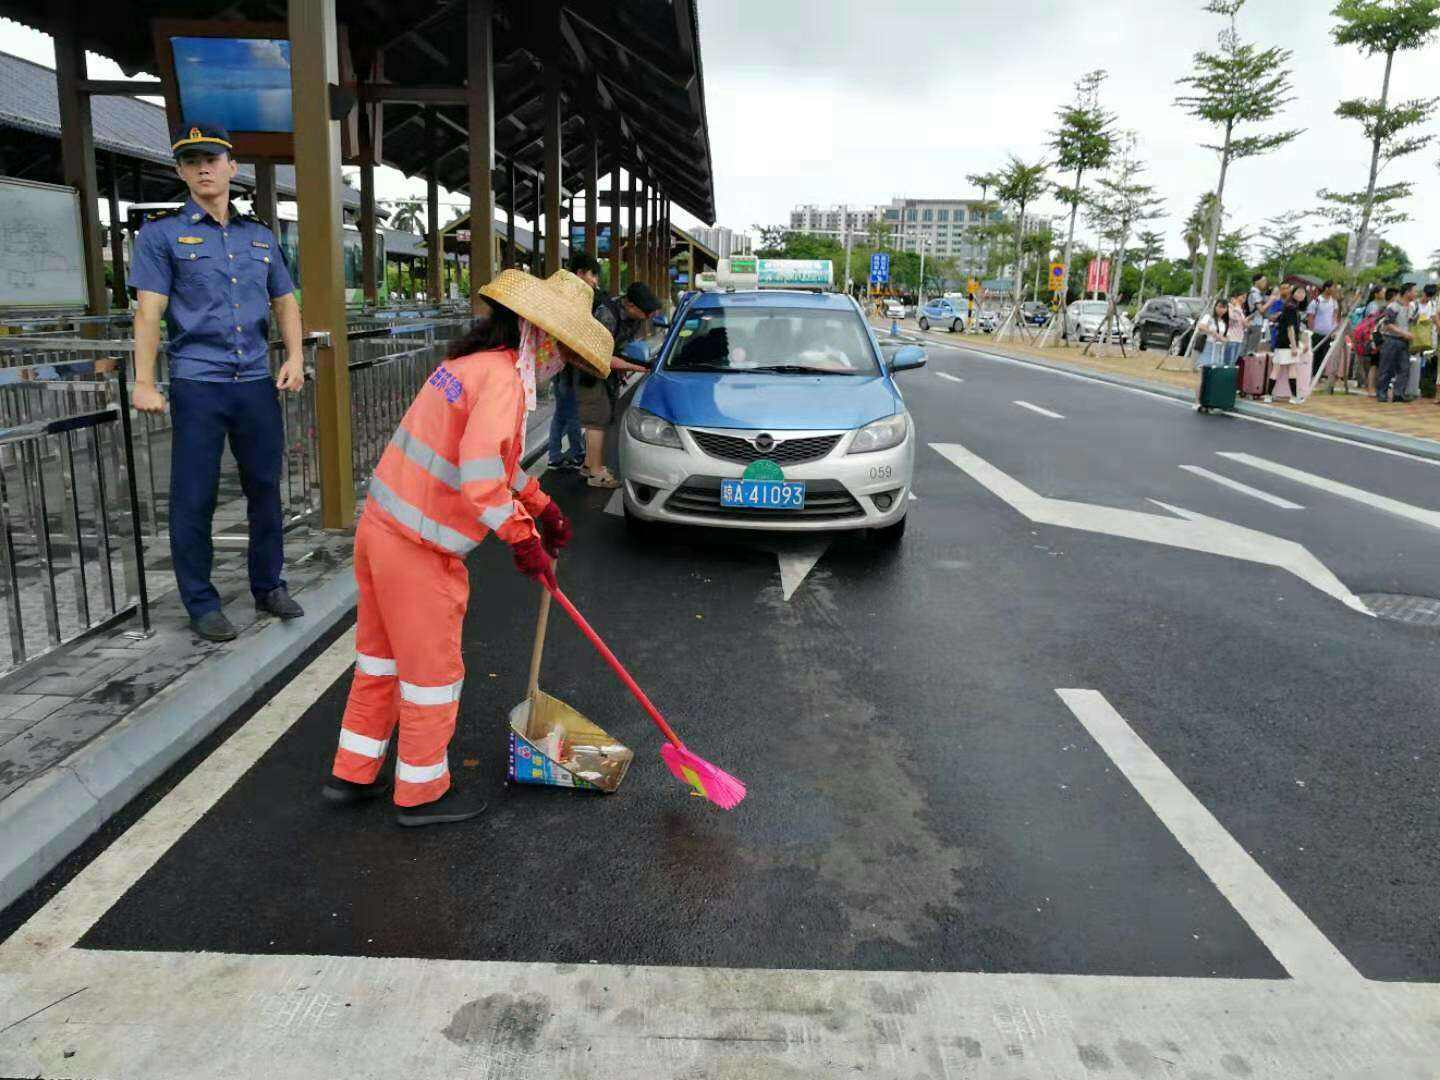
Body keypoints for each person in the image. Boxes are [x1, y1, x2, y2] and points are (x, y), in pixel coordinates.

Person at [325, 269, 613, 826]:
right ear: (540, 337)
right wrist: (523, 538)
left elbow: (492, 465)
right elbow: (480, 480)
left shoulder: (466, 367)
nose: (560, 365)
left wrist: (540, 505)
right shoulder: (504, 382)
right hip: (419, 549)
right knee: (433, 678)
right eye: (563, 351)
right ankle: (422, 793)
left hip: (381, 530)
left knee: (380, 663)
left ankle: (352, 774)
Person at [130, 123, 306, 643]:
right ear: (181, 172)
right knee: (194, 495)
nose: (203, 167)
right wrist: (143, 380)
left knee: (265, 487)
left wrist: (295, 356)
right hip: (198, 384)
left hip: (254, 381)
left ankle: (268, 585)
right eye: (191, 161)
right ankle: (201, 602)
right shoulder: (160, 236)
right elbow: (149, 312)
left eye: (212, 158)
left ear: (232, 167)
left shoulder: (260, 236)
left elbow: (285, 303)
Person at [582, 281, 658, 488]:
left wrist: (628, 366)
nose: (649, 318)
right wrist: (638, 367)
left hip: (606, 370)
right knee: (597, 419)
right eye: (647, 313)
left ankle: (590, 464)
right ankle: (596, 474)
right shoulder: (607, 315)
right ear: (631, 306)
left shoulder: (633, 319)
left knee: (604, 417)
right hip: (588, 368)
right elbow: (600, 356)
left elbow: (619, 349)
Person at [545, 253, 604, 470]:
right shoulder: (572, 298)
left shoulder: (561, 295)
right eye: (592, 275)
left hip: (558, 363)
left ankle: (553, 455)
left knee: (562, 410)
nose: (594, 280)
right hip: (567, 364)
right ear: (579, 273)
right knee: (572, 411)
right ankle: (578, 453)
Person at [1375, 283, 1417, 403]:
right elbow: (1388, 325)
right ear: (1407, 292)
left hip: (1404, 342)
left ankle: (1399, 393)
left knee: (1404, 368)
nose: (1415, 294)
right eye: (1414, 291)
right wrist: (1404, 333)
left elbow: (1411, 323)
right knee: (1386, 367)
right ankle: (1381, 393)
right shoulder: (1393, 306)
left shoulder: (1412, 307)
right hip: (1392, 340)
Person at [1268, 285, 1310, 404]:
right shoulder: (1292, 307)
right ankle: (1294, 397)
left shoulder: (1289, 305)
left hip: (1280, 341)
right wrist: (1294, 346)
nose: (1301, 294)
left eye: (1303, 292)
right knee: (1291, 369)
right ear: (1294, 292)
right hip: (1288, 342)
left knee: (1276, 369)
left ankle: (1268, 395)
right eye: (1299, 291)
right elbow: (1290, 328)